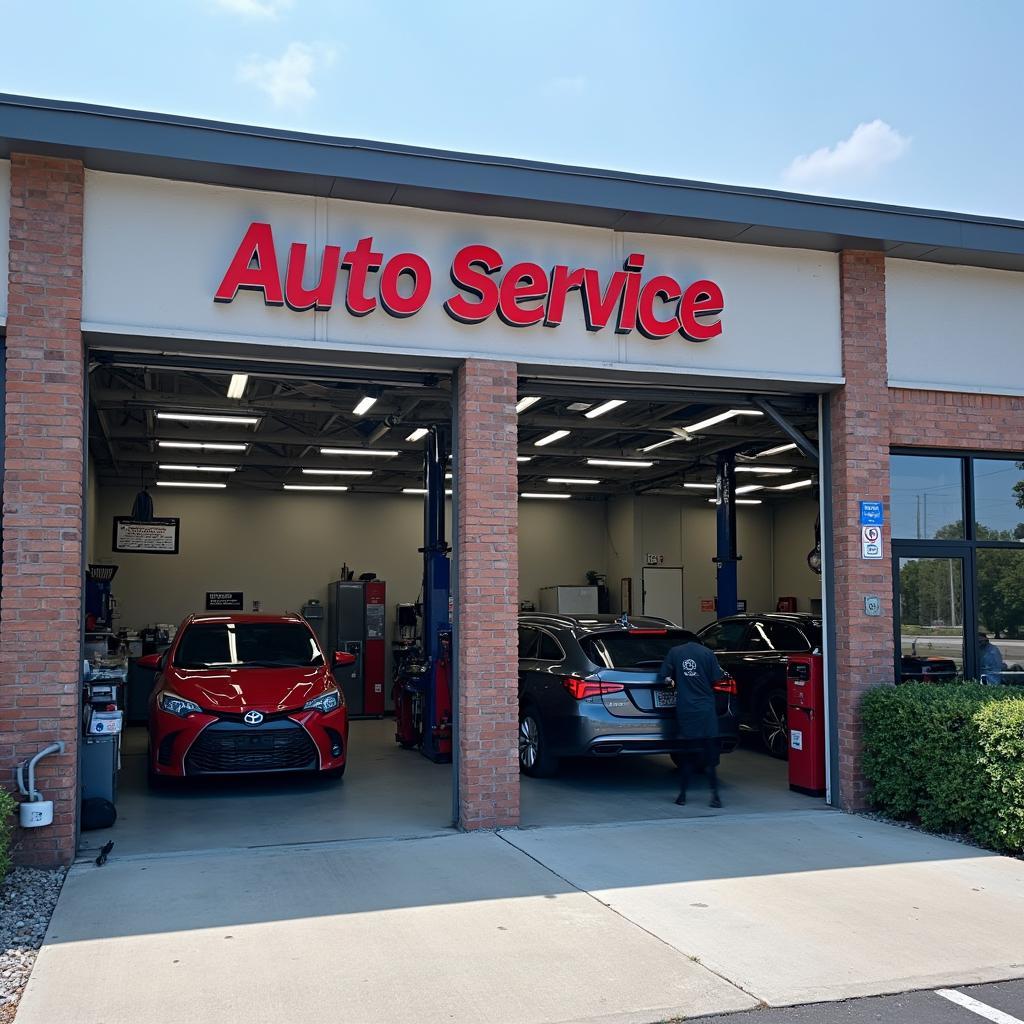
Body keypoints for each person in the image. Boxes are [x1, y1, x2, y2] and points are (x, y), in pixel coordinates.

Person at [656, 632, 726, 808]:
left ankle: (682, 796)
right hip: (706, 711)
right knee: (709, 758)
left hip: (686, 710)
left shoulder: (675, 652)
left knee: (687, 757)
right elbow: (716, 679)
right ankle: (715, 797)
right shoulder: (708, 653)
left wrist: (673, 682)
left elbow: (664, 677)